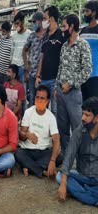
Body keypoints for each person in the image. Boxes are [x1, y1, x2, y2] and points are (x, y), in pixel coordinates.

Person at [55, 14, 92, 155]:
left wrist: (70, 84)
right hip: (60, 92)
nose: (62, 29)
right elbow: (61, 67)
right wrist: (56, 87)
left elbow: (87, 70)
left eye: (64, 26)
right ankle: (66, 156)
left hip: (73, 94)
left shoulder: (83, 44)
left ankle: (81, 158)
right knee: (62, 128)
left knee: (77, 127)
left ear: (72, 27)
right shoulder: (64, 46)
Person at [57, 97, 98, 207]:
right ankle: (92, 198)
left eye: (87, 115)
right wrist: (64, 183)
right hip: (82, 175)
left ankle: (82, 192)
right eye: (83, 114)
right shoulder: (79, 130)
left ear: (97, 118)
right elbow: (69, 156)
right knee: (60, 177)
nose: (83, 118)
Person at [15, 85, 62, 178]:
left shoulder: (51, 117)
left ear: (48, 101)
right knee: (18, 153)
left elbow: (56, 141)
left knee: (60, 157)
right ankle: (41, 171)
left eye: (42, 98)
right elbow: (21, 136)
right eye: (37, 97)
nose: (39, 100)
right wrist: (27, 135)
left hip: (43, 152)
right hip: (28, 151)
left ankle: (27, 167)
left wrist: (52, 161)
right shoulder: (29, 112)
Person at [35, 6, 64, 116]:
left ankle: (56, 132)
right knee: (41, 107)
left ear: (51, 19)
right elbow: (42, 57)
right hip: (44, 79)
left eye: (44, 18)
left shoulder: (61, 35)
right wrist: (38, 76)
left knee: (56, 110)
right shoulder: (45, 36)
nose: (43, 21)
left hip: (55, 80)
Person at [23, 11, 45, 107]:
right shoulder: (32, 35)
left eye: (34, 22)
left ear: (40, 21)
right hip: (32, 73)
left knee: (43, 98)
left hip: (44, 74)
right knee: (32, 97)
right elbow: (24, 50)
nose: (33, 24)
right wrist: (27, 66)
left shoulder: (47, 35)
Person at [80, 0, 98, 101]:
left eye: (87, 11)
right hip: (83, 76)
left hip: (95, 75)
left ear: (94, 12)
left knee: (94, 107)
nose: (85, 14)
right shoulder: (83, 31)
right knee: (84, 108)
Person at [11, 11, 31, 91]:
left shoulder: (29, 34)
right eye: (15, 24)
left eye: (17, 23)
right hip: (14, 67)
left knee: (23, 90)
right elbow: (12, 52)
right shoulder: (14, 36)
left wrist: (27, 70)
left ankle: (23, 104)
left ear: (22, 22)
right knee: (14, 90)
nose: (16, 26)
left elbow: (30, 53)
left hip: (23, 67)